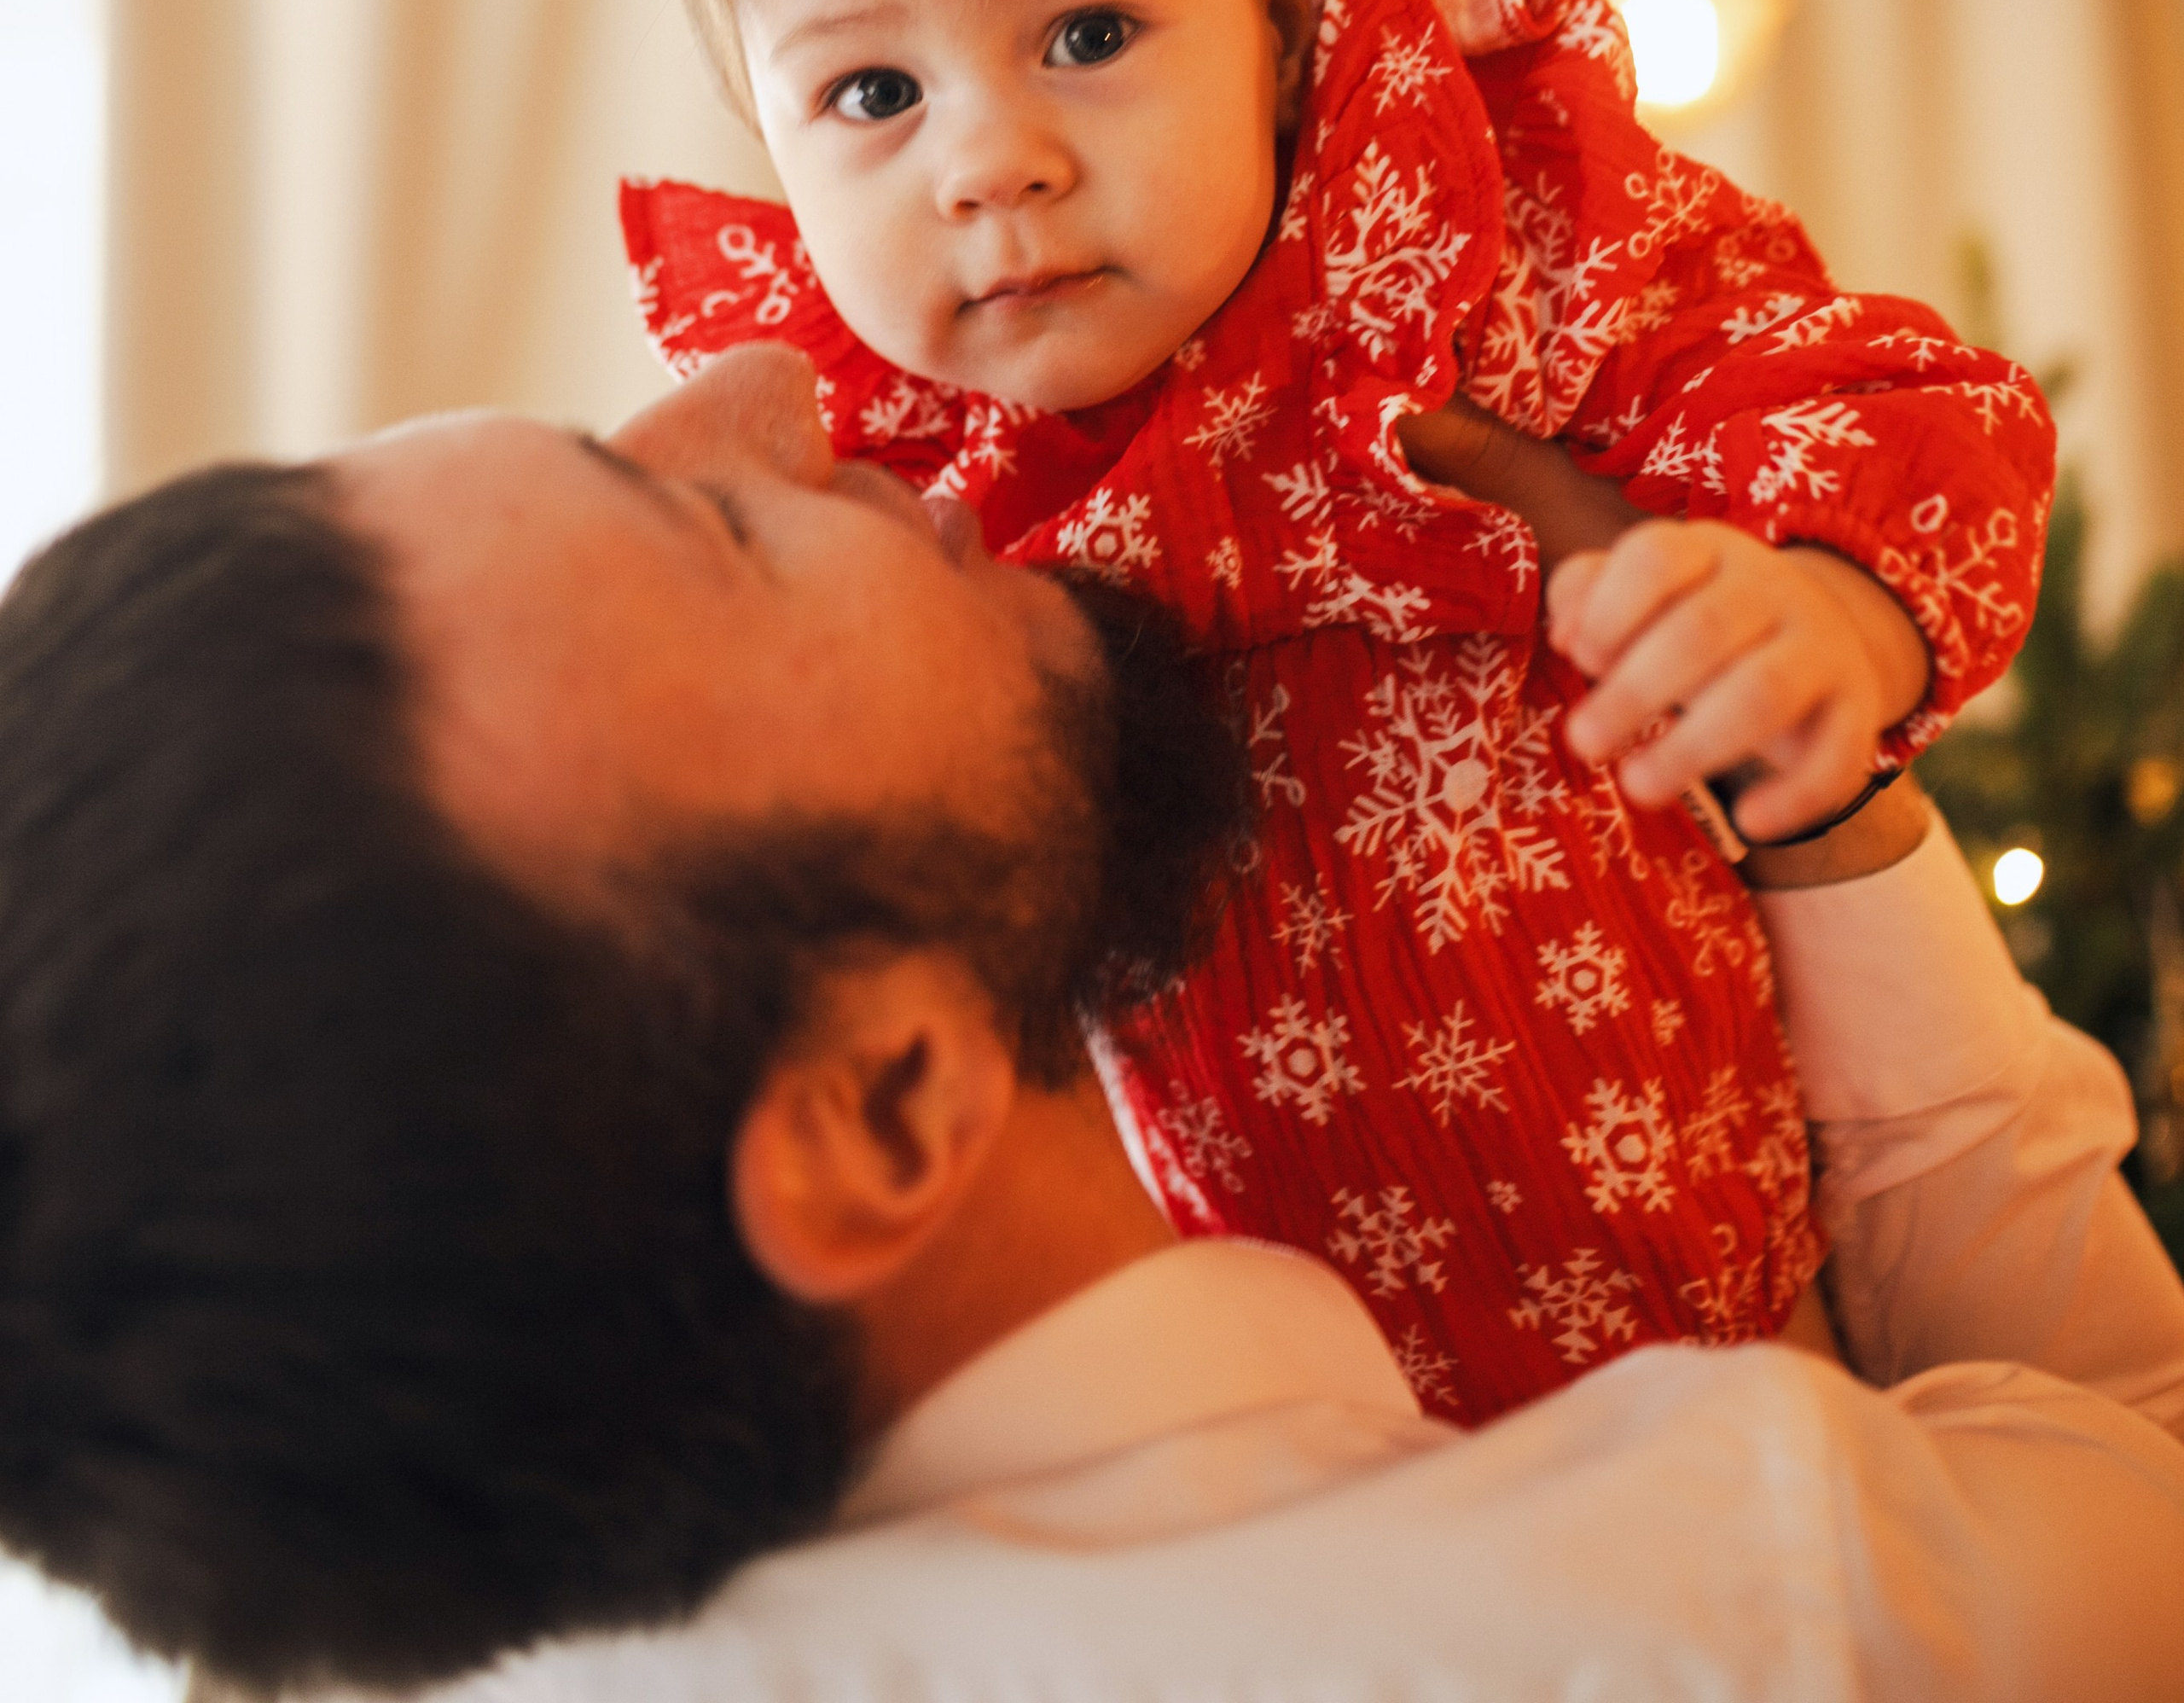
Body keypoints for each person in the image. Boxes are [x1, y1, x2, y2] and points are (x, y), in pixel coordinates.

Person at [0, 347, 2175, 1703]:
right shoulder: (1725, 1610)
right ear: (877, 1109)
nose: (785, 384)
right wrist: (1810, 801)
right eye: (710, 530)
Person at [624, 0, 2055, 1415]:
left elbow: (1889, 398)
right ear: (764, 135)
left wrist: (1817, 611)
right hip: (1264, 1453)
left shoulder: (1464, 265)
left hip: (1732, 1355)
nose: (990, 159)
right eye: (872, 96)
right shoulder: (872, 515)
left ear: (1281, 10)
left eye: (1085, 36)